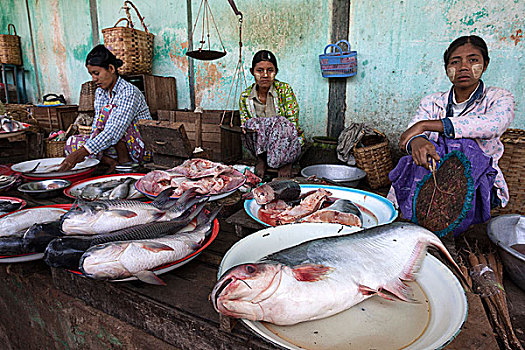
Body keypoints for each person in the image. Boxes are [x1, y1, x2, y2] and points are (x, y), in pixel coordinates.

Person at [388, 35, 515, 235]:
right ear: (447, 68)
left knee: (463, 145)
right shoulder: (432, 102)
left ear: (485, 64)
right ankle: (404, 222)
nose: (464, 67)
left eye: (473, 60)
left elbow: (492, 125)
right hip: (430, 175)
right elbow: (409, 135)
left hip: (478, 182)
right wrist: (418, 140)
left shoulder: (498, 98)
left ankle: (442, 232)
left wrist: (427, 126)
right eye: (455, 62)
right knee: (415, 158)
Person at [59, 45, 151, 172]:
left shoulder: (129, 92)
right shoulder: (100, 92)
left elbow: (114, 131)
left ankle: (125, 164)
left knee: (112, 117)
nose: (94, 79)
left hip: (137, 147)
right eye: (91, 74)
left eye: (96, 73)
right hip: (112, 143)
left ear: (111, 68)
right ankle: (111, 161)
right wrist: (82, 150)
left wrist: (81, 153)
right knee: (72, 143)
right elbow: (97, 126)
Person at [239, 50, 304, 178]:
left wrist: (285, 159)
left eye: (270, 70)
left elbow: (292, 125)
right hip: (261, 145)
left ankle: (286, 162)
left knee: (282, 123)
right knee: (248, 126)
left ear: (276, 72)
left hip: (285, 143)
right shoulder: (245, 97)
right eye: (260, 70)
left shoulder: (284, 90)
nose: (265, 75)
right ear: (252, 72)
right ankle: (261, 160)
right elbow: (246, 127)